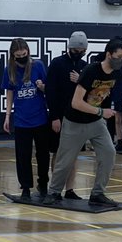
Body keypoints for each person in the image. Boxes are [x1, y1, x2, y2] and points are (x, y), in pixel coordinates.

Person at [44, 37, 122, 208]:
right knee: (65, 161)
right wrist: (100, 112)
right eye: (118, 56)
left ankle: (98, 193)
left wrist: (102, 113)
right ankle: (54, 192)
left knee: (109, 153)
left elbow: (103, 96)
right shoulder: (91, 70)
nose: (121, 60)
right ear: (109, 54)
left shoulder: (117, 73)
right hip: (75, 121)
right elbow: (76, 102)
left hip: (96, 123)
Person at [1, 38, 51, 200]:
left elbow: (47, 88)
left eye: (24, 54)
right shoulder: (10, 69)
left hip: (40, 117)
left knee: (43, 154)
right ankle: (25, 187)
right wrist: (7, 116)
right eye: (18, 55)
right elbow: (9, 93)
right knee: (23, 156)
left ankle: (43, 184)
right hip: (22, 120)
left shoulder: (38, 66)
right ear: (13, 55)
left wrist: (42, 87)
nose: (22, 57)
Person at [44, 31, 90, 199]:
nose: (79, 53)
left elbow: (90, 93)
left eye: (82, 50)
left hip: (78, 117)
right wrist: (54, 117)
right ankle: (55, 188)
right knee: (58, 153)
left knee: (74, 155)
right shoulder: (57, 64)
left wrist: (80, 80)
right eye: (76, 49)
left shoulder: (85, 67)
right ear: (69, 47)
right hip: (60, 116)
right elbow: (50, 91)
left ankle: (70, 189)